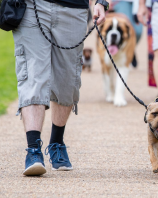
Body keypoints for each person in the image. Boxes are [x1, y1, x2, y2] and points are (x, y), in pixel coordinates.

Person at [13, 0, 107, 176]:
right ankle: (33, 150)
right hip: (32, 6)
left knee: (67, 80)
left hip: (73, 8)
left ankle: (56, 142)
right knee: (33, 75)